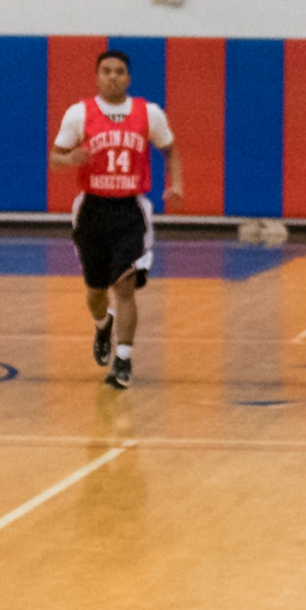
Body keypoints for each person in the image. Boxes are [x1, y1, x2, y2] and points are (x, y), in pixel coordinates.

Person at [49, 50, 184, 389]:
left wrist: (176, 183)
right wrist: (70, 159)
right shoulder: (79, 113)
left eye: (119, 71)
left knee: (124, 285)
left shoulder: (149, 113)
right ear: (97, 76)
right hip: (92, 209)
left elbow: (169, 149)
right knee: (96, 291)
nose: (112, 76)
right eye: (106, 71)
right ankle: (101, 325)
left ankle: (123, 359)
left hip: (129, 210)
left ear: (129, 77)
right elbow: (54, 159)